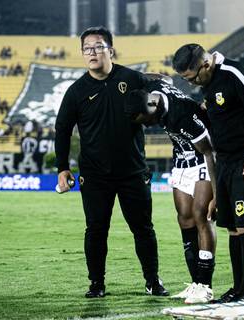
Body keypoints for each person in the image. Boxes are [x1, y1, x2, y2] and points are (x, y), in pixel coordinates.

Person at [54, 26, 168, 299]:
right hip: (94, 175)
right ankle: (96, 284)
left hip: (133, 171)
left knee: (143, 228)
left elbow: (159, 101)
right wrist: (62, 168)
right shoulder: (76, 91)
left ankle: (152, 281)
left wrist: (158, 92)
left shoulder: (132, 78)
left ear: (110, 50)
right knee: (95, 229)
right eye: (87, 49)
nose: (92, 53)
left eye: (98, 47)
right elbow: (62, 130)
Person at [172, 44, 244, 303]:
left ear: (205, 64)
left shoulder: (235, 74)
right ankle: (237, 290)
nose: (192, 83)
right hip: (224, 160)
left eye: (192, 77)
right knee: (231, 227)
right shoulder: (209, 82)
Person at [124, 75, 216, 304]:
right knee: (184, 218)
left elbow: (209, 151)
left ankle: (205, 285)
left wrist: (218, 193)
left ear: (151, 106)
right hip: (181, 162)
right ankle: (195, 283)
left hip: (204, 160)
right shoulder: (153, 90)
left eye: (145, 119)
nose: (146, 125)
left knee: (201, 216)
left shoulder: (182, 115)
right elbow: (163, 78)